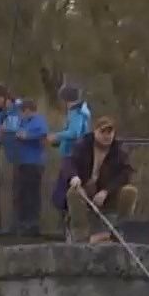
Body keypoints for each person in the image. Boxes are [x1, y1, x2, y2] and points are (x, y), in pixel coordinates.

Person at [64, 116, 140, 244]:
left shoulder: (119, 151)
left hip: (108, 194)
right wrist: (74, 177)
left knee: (130, 191)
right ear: (95, 132)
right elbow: (69, 162)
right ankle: (80, 236)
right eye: (102, 132)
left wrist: (106, 191)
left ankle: (119, 230)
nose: (106, 136)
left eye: (109, 132)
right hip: (85, 190)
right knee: (73, 193)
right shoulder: (83, 145)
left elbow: (126, 173)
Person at [49, 84, 92, 231]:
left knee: (62, 194)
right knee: (65, 193)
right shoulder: (82, 112)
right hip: (73, 153)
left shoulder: (76, 113)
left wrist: (57, 136)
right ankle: (67, 224)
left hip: (71, 156)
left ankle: (67, 225)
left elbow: (73, 133)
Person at [5, 97, 49, 237]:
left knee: (32, 195)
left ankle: (32, 224)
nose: (20, 115)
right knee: (21, 194)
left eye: (22, 112)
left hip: (33, 163)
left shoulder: (38, 121)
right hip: (22, 162)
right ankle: (20, 223)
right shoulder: (23, 121)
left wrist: (27, 135)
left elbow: (42, 133)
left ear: (28, 111)